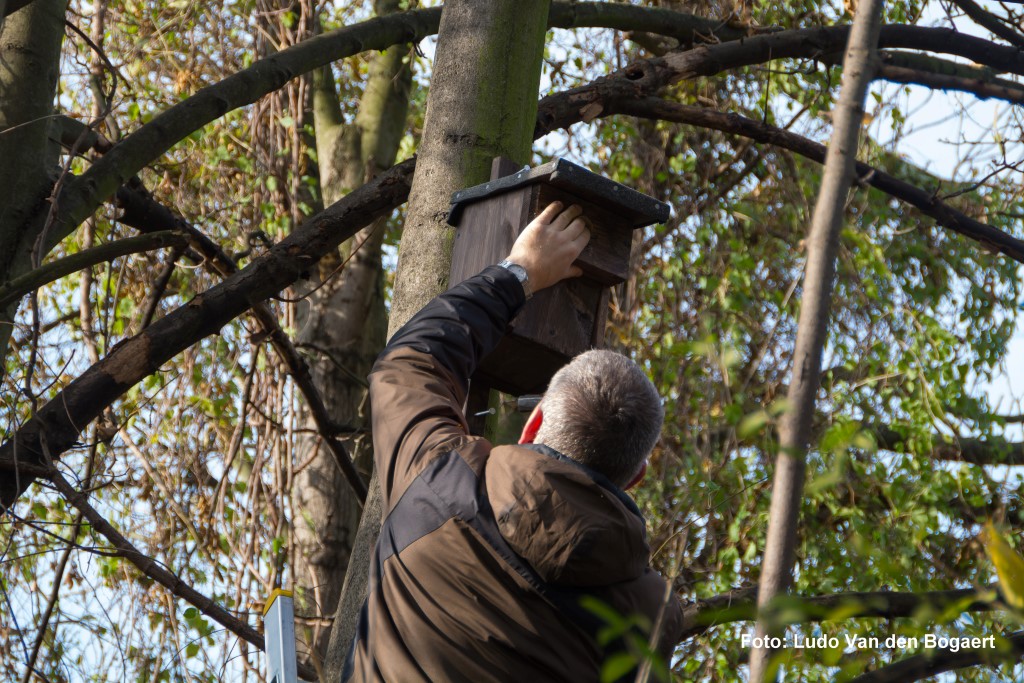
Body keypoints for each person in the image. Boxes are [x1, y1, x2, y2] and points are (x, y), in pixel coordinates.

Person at [344, 202, 683, 682]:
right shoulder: (650, 620)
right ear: (638, 476)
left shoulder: (440, 480)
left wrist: (518, 273)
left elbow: (410, 364)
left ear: (535, 421)